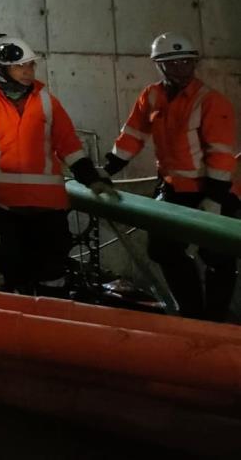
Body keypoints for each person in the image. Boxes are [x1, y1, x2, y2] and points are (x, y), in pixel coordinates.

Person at [0, 35, 115, 295]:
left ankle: (52, 316)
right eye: (20, 66)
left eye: (31, 65)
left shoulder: (47, 101)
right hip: (3, 209)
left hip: (48, 210)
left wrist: (91, 179)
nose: (28, 71)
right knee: (14, 277)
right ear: (0, 68)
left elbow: (69, 146)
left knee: (53, 278)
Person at [103, 32, 237, 320]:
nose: (180, 68)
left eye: (186, 62)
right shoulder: (151, 96)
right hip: (173, 189)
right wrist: (107, 169)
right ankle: (192, 312)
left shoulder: (210, 101)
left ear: (194, 63)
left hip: (207, 190)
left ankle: (215, 319)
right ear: (159, 65)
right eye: (172, 63)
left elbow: (220, 153)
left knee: (218, 256)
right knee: (162, 249)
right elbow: (132, 135)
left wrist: (214, 199)